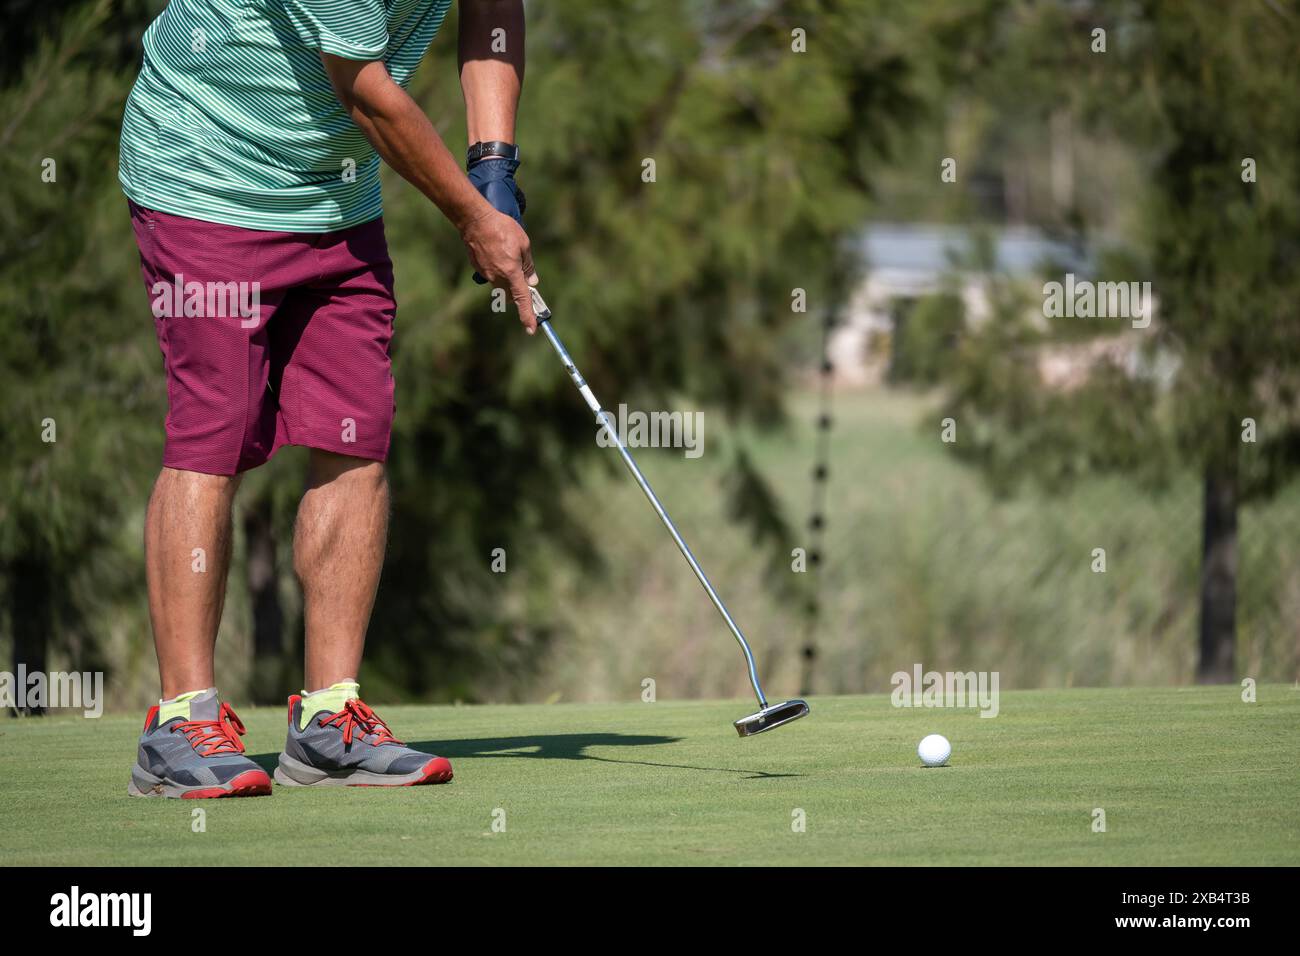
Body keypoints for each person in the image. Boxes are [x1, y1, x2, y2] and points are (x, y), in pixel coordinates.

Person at [120, 0, 536, 797]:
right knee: (216, 431)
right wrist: (472, 216)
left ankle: (329, 721)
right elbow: (363, 87)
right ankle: (180, 723)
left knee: (355, 432)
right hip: (204, 170)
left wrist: (495, 163)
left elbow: (492, 8)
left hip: (336, 197)